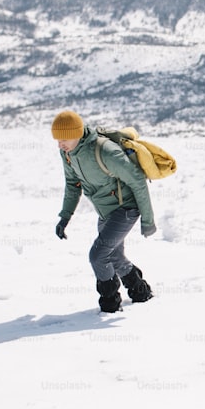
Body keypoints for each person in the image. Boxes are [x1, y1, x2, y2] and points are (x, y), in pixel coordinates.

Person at [51, 110, 157, 312]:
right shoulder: (67, 153)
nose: (59, 144)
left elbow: (138, 182)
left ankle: (110, 301)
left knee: (98, 256)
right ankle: (140, 291)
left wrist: (148, 220)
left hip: (126, 209)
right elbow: (72, 184)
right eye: (57, 140)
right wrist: (64, 217)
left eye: (63, 139)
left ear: (77, 133)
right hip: (105, 212)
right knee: (114, 256)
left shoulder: (105, 151)